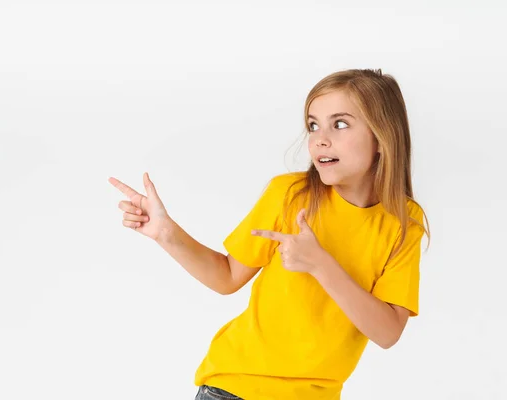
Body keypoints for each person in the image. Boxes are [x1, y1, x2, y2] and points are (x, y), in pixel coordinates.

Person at [108, 68, 430, 400]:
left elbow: (388, 332)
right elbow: (227, 277)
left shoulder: (404, 223)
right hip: (235, 387)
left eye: (341, 124)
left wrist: (320, 264)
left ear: (383, 137)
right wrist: (165, 233)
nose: (320, 138)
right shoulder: (288, 195)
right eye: (313, 124)